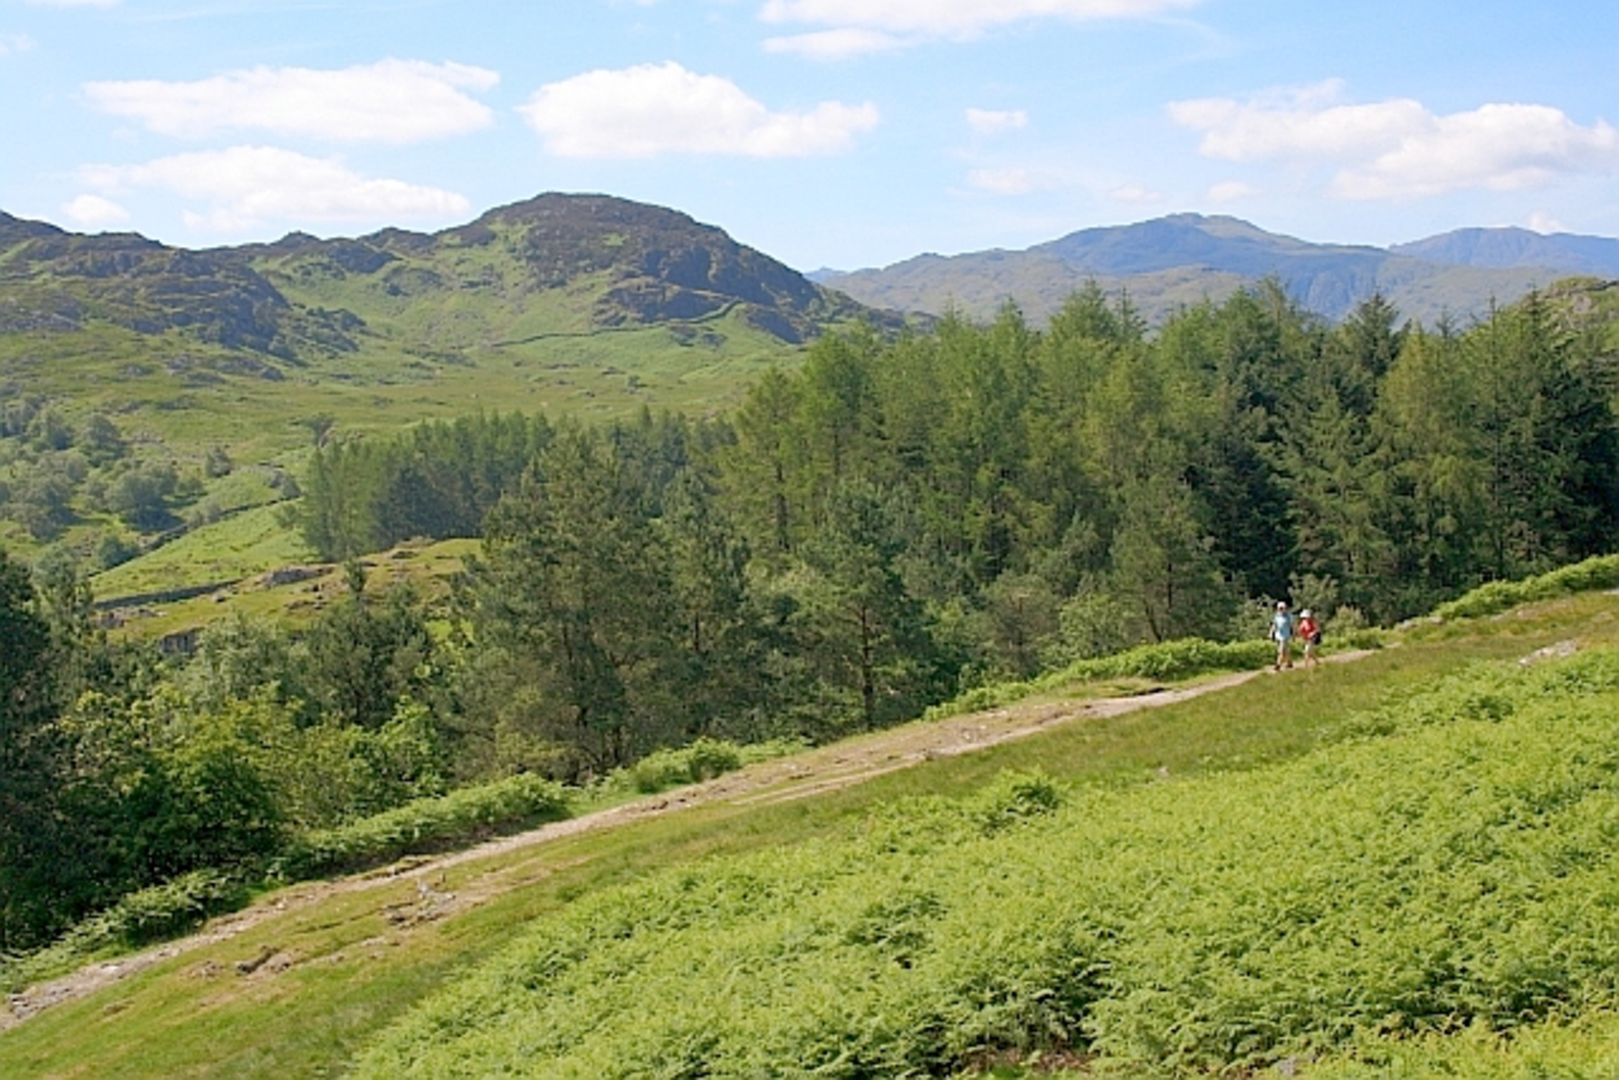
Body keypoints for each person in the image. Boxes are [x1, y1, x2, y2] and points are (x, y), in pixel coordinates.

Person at [1269, 600, 1295, 670]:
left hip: (1285, 636)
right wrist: (1271, 633)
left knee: (1281, 650)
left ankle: (1278, 665)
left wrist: (1293, 635)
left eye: (1282, 608)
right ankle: (1289, 663)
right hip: (1278, 636)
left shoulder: (1289, 616)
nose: (1281, 610)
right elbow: (1274, 625)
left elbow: (1292, 626)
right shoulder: (1277, 616)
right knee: (1286, 650)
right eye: (1280, 608)